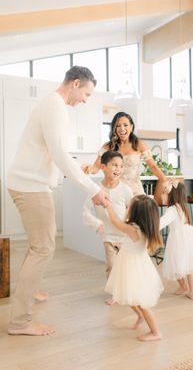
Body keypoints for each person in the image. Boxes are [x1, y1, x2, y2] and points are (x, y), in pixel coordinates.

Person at [7, 66, 109, 336]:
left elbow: (57, 153)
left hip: (27, 182)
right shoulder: (56, 108)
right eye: (86, 93)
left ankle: (31, 288)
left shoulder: (50, 104)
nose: (85, 99)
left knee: (38, 246)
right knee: (43, 248)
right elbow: (60, 155)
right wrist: (93, 189)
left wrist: (79, 167)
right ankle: (20, 322)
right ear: (75, 84)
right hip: (32, 187)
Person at [105, 195, 164, 342]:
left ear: (136, 213)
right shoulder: (144, 228)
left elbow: (114, 222)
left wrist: (108, 206)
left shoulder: (133, 229)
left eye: (129, 207)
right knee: (129, 296)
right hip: (133, 264)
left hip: (132, 267)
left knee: (141, 302)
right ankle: (140, 316)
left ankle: (156, 332)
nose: (127, 209)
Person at [83, 150, 133, 305]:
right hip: (109, 236)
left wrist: (131, 227)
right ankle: (115, 293)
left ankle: (127, 290)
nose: (118, 169)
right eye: (114, 165)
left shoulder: (125, 189)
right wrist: (97, 224)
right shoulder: (96, 190)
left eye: (121, 166)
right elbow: (85, 211)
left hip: (124, 236)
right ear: (103, 167)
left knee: (126, 266)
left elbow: (131, 210)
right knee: (112, 266)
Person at [85, 112, 166, 195]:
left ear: (131, 127)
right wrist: (89, 169)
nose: (122, 129)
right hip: (116, 191)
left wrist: (164, 180)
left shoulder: (139, 145)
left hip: (136, 191)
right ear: (114, 129)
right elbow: (96, 167)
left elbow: (153, 166)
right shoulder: (108, 146)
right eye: (118, 126)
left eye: (125, 125)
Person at [160, 179, 193, 300]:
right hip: (188, 236)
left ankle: (184, 287)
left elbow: (162, 223)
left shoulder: (171, 210)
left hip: (178, 239)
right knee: (187, 266)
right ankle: (191, 292)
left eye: (164, 192)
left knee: (175, 264)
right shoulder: (181, 207)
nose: (161, 195)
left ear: (171, 195)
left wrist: (150, 226)